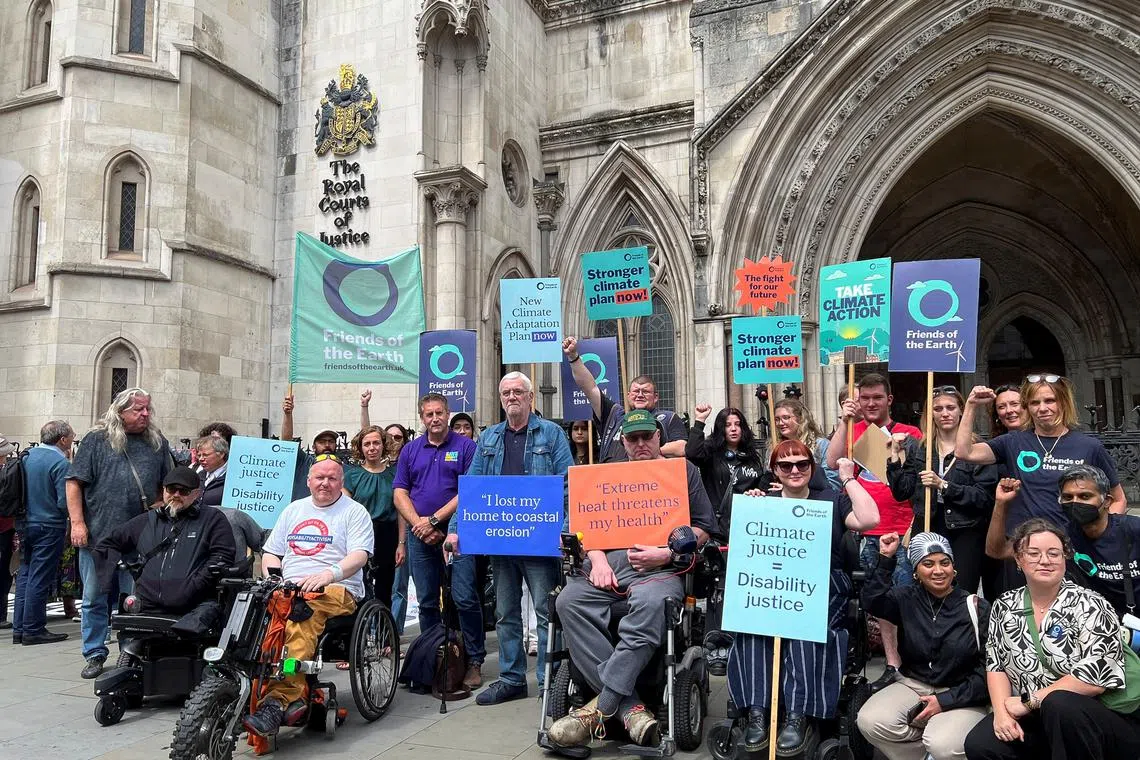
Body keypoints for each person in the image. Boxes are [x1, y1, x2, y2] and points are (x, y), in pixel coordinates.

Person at [547, 409, 717, 750]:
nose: (640, 444)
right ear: (623, 441)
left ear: (659, 438)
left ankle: (603, 705)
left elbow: (704, 529)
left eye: (646, 437)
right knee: (568, 601)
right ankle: (631, 709)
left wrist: (666, 554)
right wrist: (595, 558)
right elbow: (577, 529)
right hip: (607, 564)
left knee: (654, 603)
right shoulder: (603, 474)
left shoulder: (684, 471)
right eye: (633, 438)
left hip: (659, 567)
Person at [727, 442, 879, 755]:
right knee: (751, 626)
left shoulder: (831, 499)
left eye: (802, 464)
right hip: (772, 586)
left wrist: (848, 479)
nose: (795, 470)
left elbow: (869, 519)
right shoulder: (763, 501)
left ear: (812, 467)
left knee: (807, 628)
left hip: (823, 584)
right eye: (786, 466)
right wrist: (752, 503)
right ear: (774, 471)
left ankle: (797, 716)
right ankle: (757, 713)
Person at [964, 519, 1140, 760]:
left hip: (1096, 717)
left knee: (1060, 704)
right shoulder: (1005, 606)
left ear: (1064, 559)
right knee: (982, 743)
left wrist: (1028, 702)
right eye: (1034, 554)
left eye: (1054, 553)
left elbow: (1095, 678)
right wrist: (1001, 713)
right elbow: (996, 664)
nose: (1045, 560)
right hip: (1039, 713)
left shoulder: (1091, 604)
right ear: (1018, 559)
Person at [450, 372, 573, 705]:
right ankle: (512, 679)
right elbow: (472, 489)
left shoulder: (552, 434)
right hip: (500, 540)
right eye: (506, 392)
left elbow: (567, 484)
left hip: (539, 538)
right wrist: (456, 530)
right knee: (505, 613)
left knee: (546, 612)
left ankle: (550, 684)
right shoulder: (489, 437)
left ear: (531, 397)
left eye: (518, 391)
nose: (512, 397)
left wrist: (565, 528)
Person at [243, 456, 373, 737]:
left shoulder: (354, 512)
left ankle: (280, 700)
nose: (325, 483)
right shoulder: (294, 509)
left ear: (341, 482)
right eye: (319, 478)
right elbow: (271, 552)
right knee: (246, 612)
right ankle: (242, 688)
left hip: (337, 587)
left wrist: (329, 574)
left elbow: (360, 555)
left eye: (332, 478)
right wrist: (273, 577)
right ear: (308, 481)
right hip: (288, 585)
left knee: (302, 614)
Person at [67, 388, 174, 679]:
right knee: (93, 597)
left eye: (147, 409)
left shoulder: (156, 442)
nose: (145, 414)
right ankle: (94, 653)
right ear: (120, 411)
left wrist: (161, 504)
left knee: (134, 600)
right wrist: (77, 523)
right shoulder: (96, 440)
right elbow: (74, 483)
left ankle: (130, 653)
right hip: (99, 536)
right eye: (138, 410)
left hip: (140, 540)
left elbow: (170, 484)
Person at [826, 373, 922, 692]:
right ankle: (892, 663)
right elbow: (830, 459)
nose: (870, 403)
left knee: (908, 598)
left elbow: (913, 479)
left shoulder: (909, 432)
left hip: (904, 530)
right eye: (864, 398)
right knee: (881, 603)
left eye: (877, 398)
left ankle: (914, 660)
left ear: (889, 400)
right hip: (869, 533)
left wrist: (897, 451)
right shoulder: (854, 432)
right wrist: (845, 420)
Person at [857, 531, 990, 760]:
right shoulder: (905, 597)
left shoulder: (976, 607)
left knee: (943, 744)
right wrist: (886, 559)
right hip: (913, 685)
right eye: (928, 564)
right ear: (916, 571)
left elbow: (989, 670)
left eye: (944, 563)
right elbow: (872, 601)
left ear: (953, 567)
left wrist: (945, 701)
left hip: (962, 692)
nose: (938, 571)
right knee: (870, 721)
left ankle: (938, 750)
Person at [393, 393, 485, 689]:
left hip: (459, 532)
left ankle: (473, 660)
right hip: (420, 536)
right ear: (422, 418)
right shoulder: (410, 450)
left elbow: (469, 489)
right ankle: (433, 658)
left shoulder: (467, 447)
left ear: (448, 414)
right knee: (427, 602)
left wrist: (435, 520)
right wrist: (419, 524)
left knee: (464, 597)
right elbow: (399, 493)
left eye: (440, 413)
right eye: (429, 414)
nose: (435, 418)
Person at [955, 375, 1126, 533]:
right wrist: (971, 405)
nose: (1042, 408)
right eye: (1034, 403)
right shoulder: (1012, 441)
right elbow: (964, 452)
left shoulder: (1090, 446)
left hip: (1073, 545)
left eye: (1050, 401)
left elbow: (1118, 499)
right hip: (1024, 544)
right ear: (1027, 407)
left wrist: (1104, 533)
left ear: (1063, 403)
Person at [988, 465, 1140, 620]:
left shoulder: (1133, 530)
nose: (1075, 502)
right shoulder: (1061, 536)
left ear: (1107, 501)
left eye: (1085, 496)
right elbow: (997, 551)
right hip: (1095, 622)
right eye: (1068, 497)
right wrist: (1001, 503)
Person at [887, 387, 999, 593]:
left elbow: (984, 498)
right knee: (925, 591)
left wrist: (944, 485)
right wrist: (894, 457)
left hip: (965, 531)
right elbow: (902, 491)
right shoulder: (923, 449)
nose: (945, 413)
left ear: (961, 411)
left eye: (950, 407)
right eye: (938, 409)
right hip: (927, 525)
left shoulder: (979, 448)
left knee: (961, 590)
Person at [93, 466, 236, 616]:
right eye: (171, 489)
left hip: (193, 609)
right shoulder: (147, 520)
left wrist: (194, 585)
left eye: (183, 491)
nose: (176, 495)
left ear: (196, 494)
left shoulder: (213, 520)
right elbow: (108, 544)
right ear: (163, 490)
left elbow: (222, 557)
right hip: (147, 607)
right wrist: (114, 579)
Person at [562, 336, 687, 462]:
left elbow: (681, 448)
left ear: (656, 397)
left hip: (649, 479)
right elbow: (590, 388)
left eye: (645, 391)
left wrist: (647, 451)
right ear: (628, 396)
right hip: (610, 478)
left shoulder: (668, 418)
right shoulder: (613, 414)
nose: (640, 395)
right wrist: (573, 357)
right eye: (635, 391)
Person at [11, 420, 75, 645]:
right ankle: (33, 629)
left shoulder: (28, 456)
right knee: (40, 577)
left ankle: (20, 628)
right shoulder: (60, 463)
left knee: (26, 575)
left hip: (25, 522)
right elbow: (63, 501)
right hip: (49, 524)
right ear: (63, 439)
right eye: (71, 438)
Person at [685, 405, 766, 541]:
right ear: (721, 429)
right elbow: (692, 453)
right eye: (727, 425)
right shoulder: (711, 454)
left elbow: (760, 488)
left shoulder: (752, 458)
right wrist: (700, 421)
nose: (733, 429)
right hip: (717, 531)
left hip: (745, 528)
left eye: (737, 424)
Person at [342, 426, 402, 609]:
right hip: (360, 533)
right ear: (361, 448)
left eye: (376, 443)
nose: (372, 448)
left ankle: (384, 632)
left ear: (384, 445)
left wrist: (402, 543)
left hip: (387, 534)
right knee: (359, 583)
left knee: (385, 587)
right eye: (367, 444)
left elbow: (401, 511)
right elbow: (345, 510)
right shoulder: (352, 475)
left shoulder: (394, 474)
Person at [280, 392, 342, 501]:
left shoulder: (343, 468)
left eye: (331, 441)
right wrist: (287, 414)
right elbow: (287, 443)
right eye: (322, 442)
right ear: (313, 447)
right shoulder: (304, 462)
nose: (327, 445)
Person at [771, 398, 838, 490]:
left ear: (800, 418)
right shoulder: (774, 446)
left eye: (786, 418)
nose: (780, 423)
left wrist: (790, 489)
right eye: (777, 419)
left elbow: (833, 484)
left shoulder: (821, 445)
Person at [384, 423, 412, 636]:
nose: (393, 441)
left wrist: (402, 541)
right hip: (381, 531)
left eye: (398, 437)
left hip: (403, 529)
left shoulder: (407, 465)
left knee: (398, 585)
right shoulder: (378, 466)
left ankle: (392, 632)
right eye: (389, 437)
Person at [195, 435, 229, 507]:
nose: (201, 459)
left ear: (221, 454)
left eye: (205, 455)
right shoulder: (199, 475)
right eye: (199, 455)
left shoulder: (232, 478)